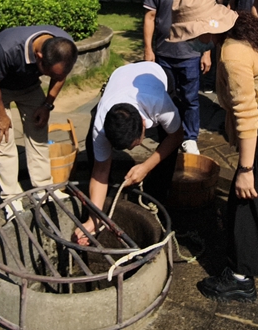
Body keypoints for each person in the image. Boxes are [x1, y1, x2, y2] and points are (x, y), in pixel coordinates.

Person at [168, 0, 258, 302]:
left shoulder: (232, 54)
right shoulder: (243, 26)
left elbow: (246, 115)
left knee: (246, 196)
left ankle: (241, 277)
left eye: (189, 32)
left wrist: (245, 169)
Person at [0, 26, 78, 219]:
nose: (53, 78)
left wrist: (47, 105)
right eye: (49, 74)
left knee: (38, 135)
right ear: (39, 56)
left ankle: (43, 189)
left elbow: (60, 75)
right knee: (3, 140)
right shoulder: (7, 48)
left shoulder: (65, 47)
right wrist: (0, 116)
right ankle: (11, 199)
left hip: (28, 85)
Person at [74, 61, 183, 245]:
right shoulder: (101, 125)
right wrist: (93, 220)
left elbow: (177, 135)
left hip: (155, 74)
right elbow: (100, 172)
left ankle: (157, 199)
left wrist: (146, 167)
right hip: (120, 77)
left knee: (167, 150)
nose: (131, 150)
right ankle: (102, 205)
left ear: (143, 123)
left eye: (135, 144)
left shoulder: (160, 104)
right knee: (95, 155)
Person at [144, 0, 208, 155]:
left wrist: (206, 52)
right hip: (164, 53)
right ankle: (168, 135)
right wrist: (148, 49)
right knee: (165, 98)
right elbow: (150, 17)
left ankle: (190, 137)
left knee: (190, 98)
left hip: (191, 54)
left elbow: (207, 22)